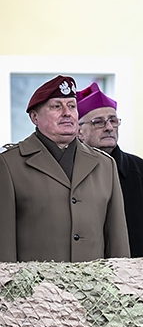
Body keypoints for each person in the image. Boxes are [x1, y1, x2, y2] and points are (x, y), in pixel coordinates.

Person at [0, 75, 130, 262]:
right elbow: (4, 242)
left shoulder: (105, 165)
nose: (67, 113)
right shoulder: (9, 164)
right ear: (34, 117)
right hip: (38, 289)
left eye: (71, 106)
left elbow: (118, 241)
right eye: (56, 106)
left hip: (93, 289)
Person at [76, 82, 143, 257]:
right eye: (98, 122)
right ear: (79, 132)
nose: (109, 127)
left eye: (113, 121)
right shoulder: (70, 172)